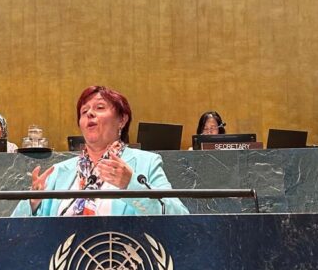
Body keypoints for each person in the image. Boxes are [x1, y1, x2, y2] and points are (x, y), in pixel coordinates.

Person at [11, 85, 188, 216]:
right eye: (84, 111)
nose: (90, 114)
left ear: (122, 120)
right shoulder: (58, 172)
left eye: (100, 108)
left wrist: (131, 185)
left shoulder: (146, 163)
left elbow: (179, 216)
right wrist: (33, 201)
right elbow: (15, 231)